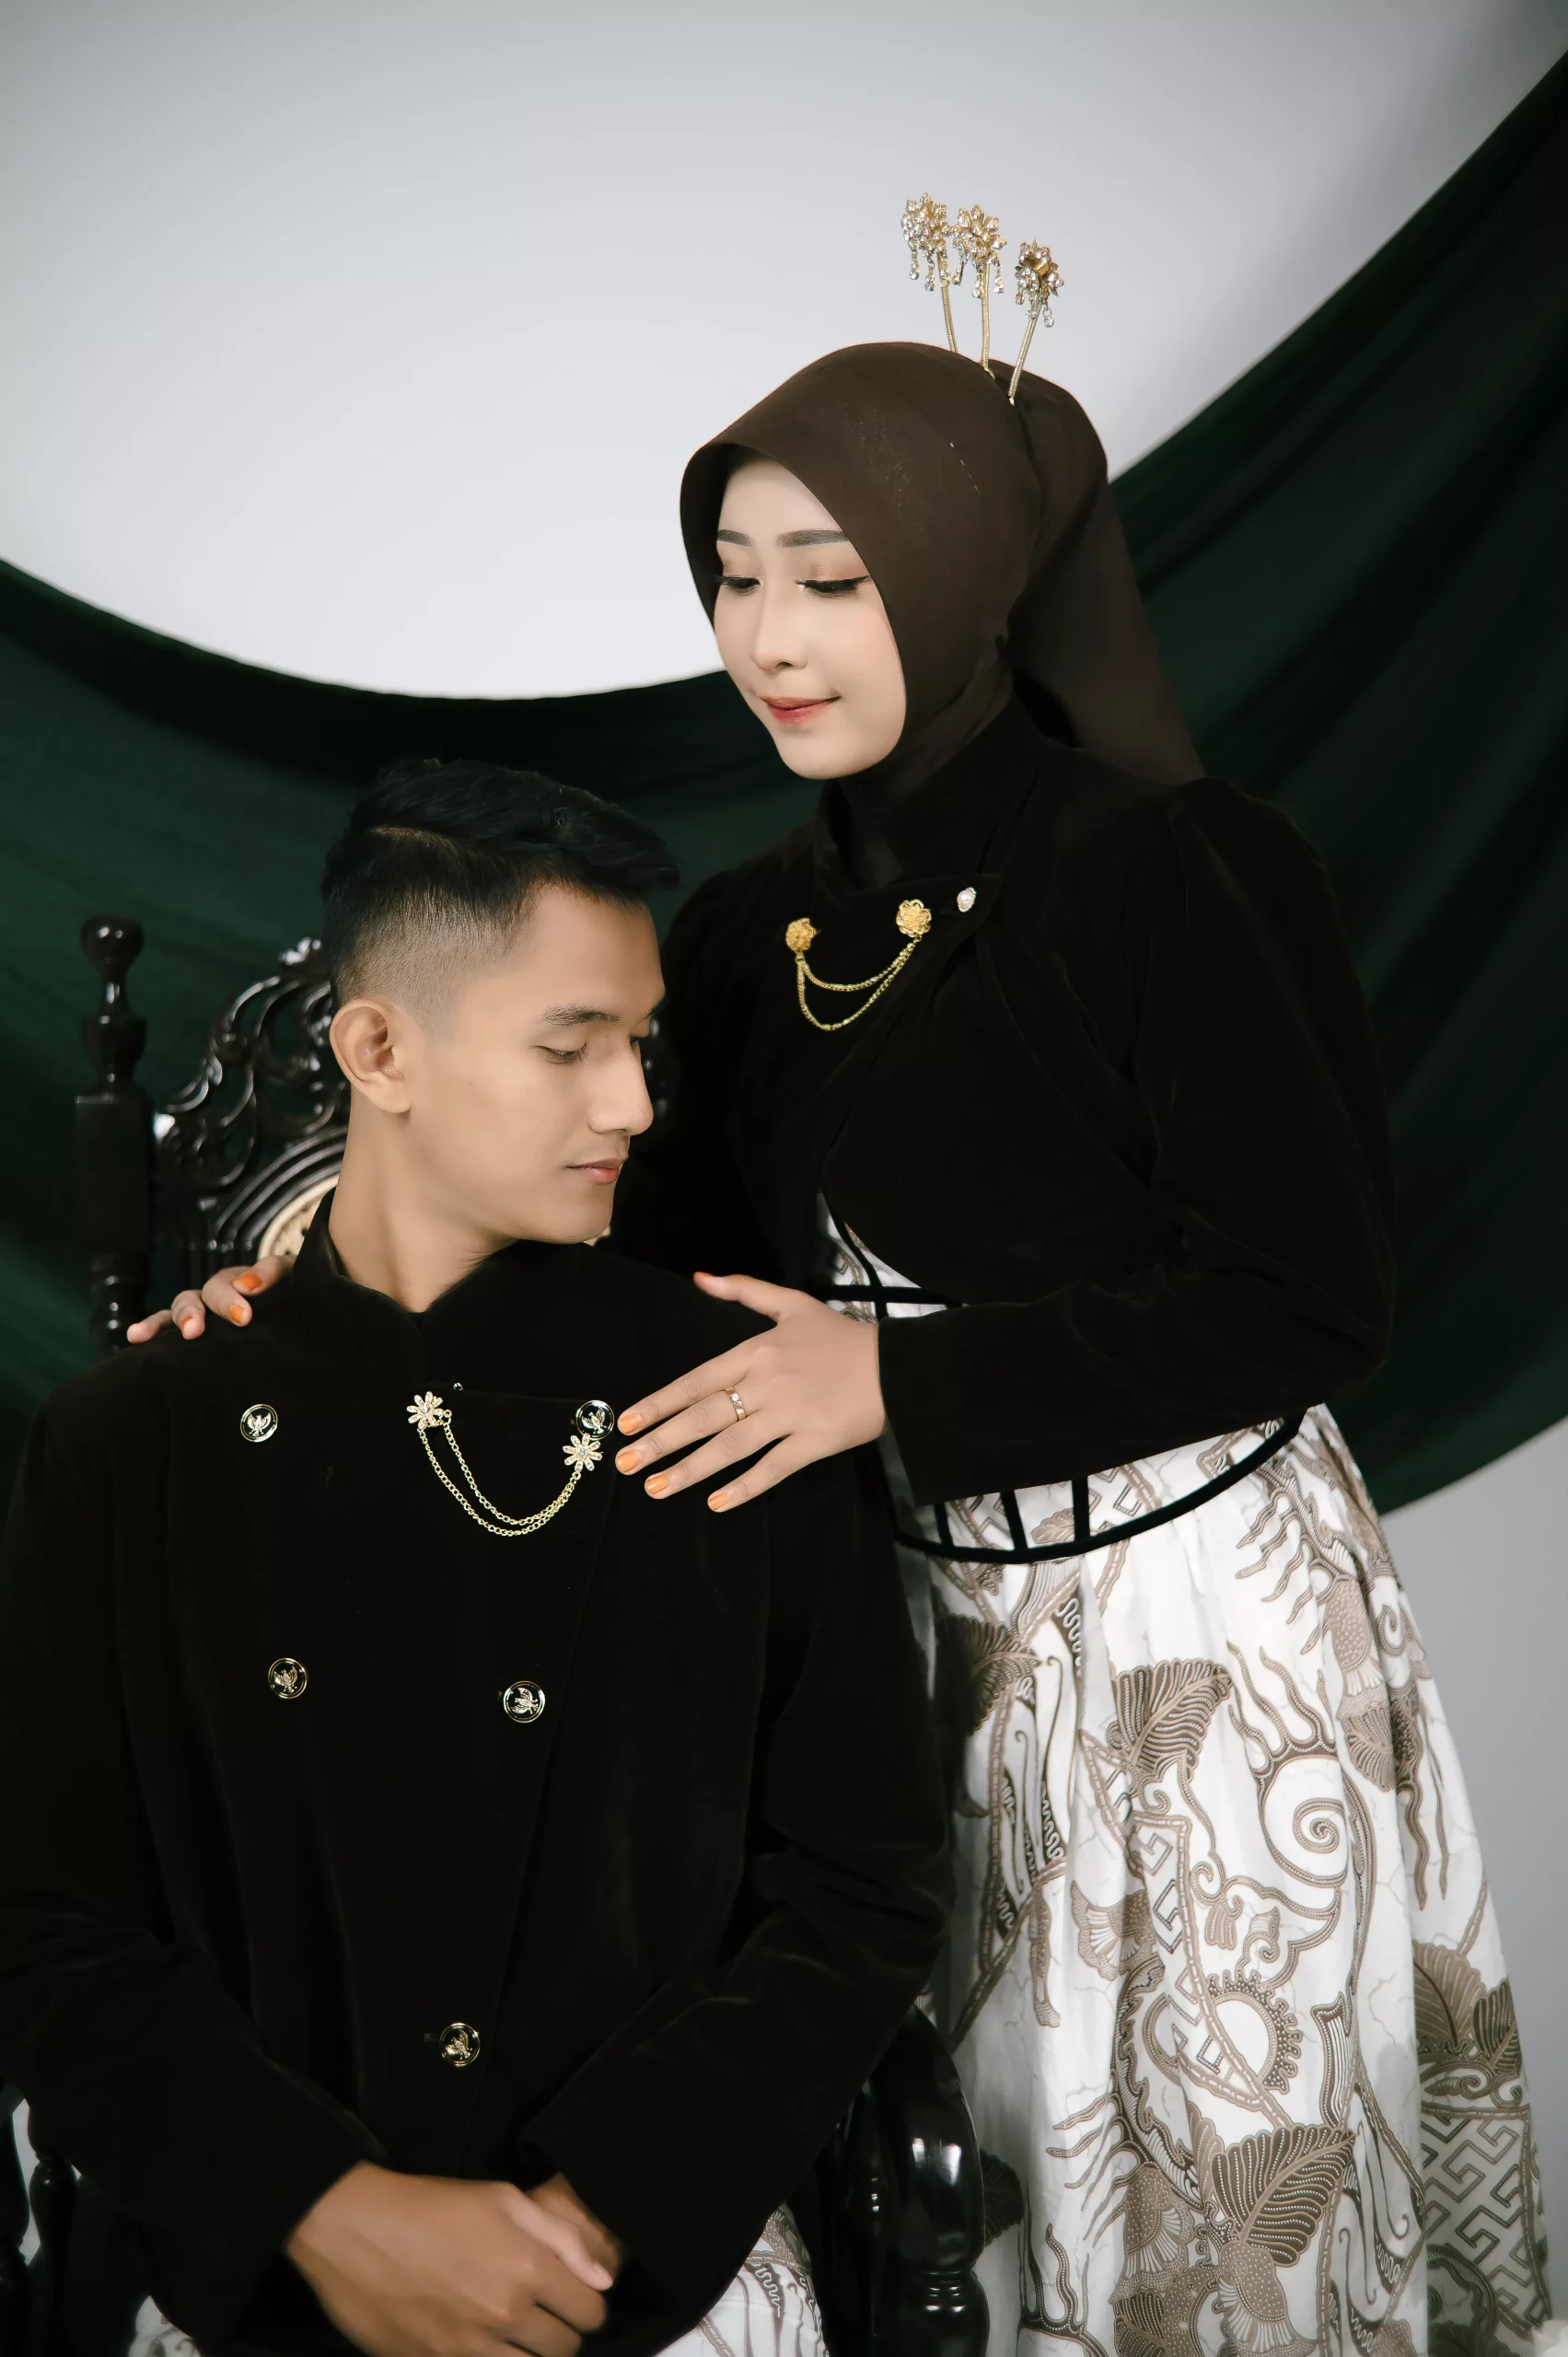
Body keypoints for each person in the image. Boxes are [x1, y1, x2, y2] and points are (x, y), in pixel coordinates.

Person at [133, 348, 1551, 2353]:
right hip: (888, 1629)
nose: (768, 639)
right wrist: (288, 1299)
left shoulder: (1172, 867)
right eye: (733, 577)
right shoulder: (739, 934)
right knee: (943, 2202)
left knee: (1208, 2215)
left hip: (1186, 1633)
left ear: (960, 567)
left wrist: (894, 1383)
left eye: (831, 577)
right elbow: (630, 1274)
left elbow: (1308, 1295)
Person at [0, 761, 949, 2357]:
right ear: (378, 1050)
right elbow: (43, 1917)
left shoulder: (743, 1402)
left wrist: (594, 2214)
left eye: (641, 1045)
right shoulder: (133, 1437)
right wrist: (327, 2208)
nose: (632, 1105)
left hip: (647, 2263)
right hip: (244, 2256)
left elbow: (856, 1889)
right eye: (570, 1047)